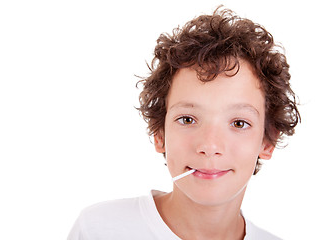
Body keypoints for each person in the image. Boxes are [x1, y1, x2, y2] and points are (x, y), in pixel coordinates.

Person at [68, 7, 300, 240]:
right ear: (160, 133)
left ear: (268, 140)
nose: (210, 146)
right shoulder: (98, 229)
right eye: (187, 119)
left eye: (239, 123)